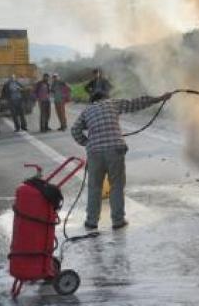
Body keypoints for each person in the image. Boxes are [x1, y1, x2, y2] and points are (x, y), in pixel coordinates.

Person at [71, 90, 171, 230]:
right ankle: (118, 221)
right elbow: (136, 103)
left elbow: (75, 130)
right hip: (115, 149)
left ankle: (91, 222)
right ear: (105, 97)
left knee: (95, 187)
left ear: (92, 101)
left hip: (95, 153)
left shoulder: (87, 111)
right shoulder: (112, 103)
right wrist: (160, 98)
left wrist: (87, 143)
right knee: (116, 186)